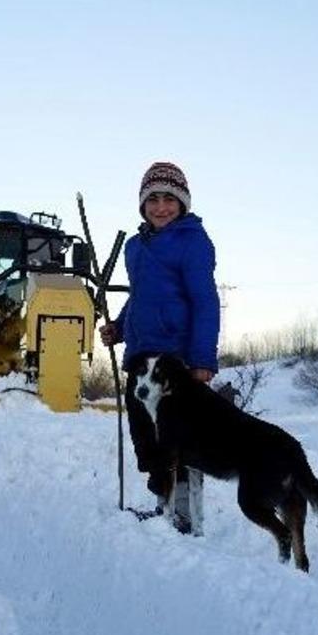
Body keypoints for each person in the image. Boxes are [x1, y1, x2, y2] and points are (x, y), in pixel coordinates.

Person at [99, 161, 220, 534]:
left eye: (170, 198)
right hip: (140, 356)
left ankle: (184, 514)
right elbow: (140, 296)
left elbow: (205, 301)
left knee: (177, 436)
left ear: (182, 203)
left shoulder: (192, 241)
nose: (161, 207)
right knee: (145, 435)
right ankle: (162, 504)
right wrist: (119, 327)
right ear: (142, 204)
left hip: (175, 358)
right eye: (153, 199)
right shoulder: (135, 247)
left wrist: (202, 359)